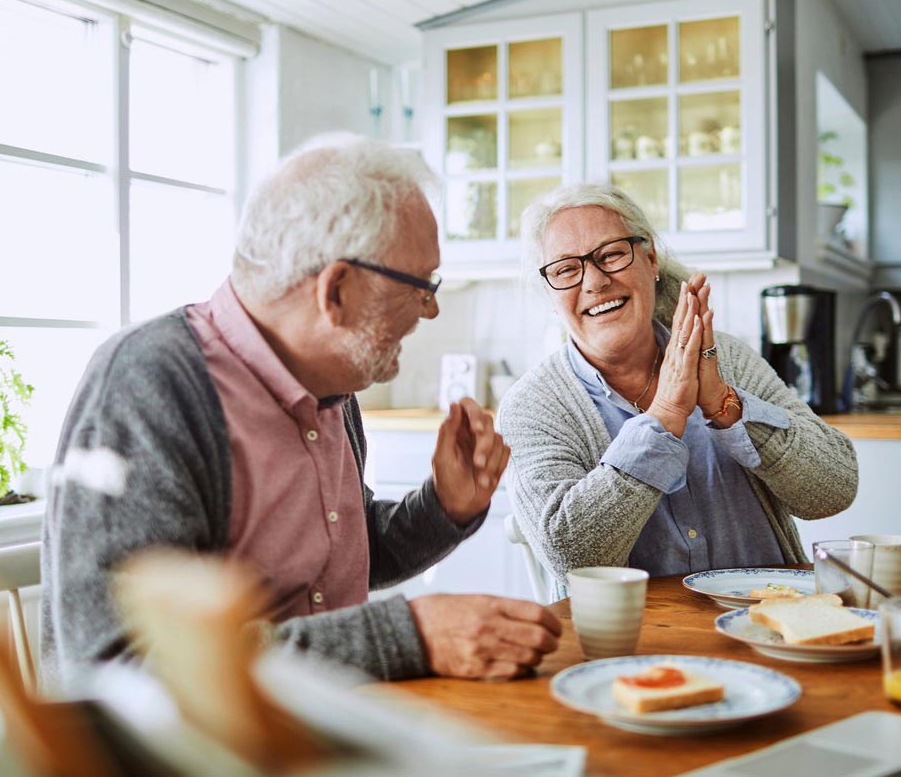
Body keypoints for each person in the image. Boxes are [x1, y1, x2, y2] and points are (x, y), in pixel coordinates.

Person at [42, 133, 561, 687]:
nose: (430, 311)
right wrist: (410, 637)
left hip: (328, 731)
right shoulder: (148, 386)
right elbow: (118, 667)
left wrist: (444, 508)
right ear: (335, 291)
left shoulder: (332, 385)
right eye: (420, 286)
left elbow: (345, 558)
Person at [498, 184, 858, 592]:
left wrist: (727, 406)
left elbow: (835, 490)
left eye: (612, 254)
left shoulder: (726, 358)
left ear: (649, 257)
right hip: (632, 648)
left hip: (768, 622)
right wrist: (665, 415)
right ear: (550, 291)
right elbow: (572, 558)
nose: (595, 282)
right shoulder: (532, 407)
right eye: (566, 269)